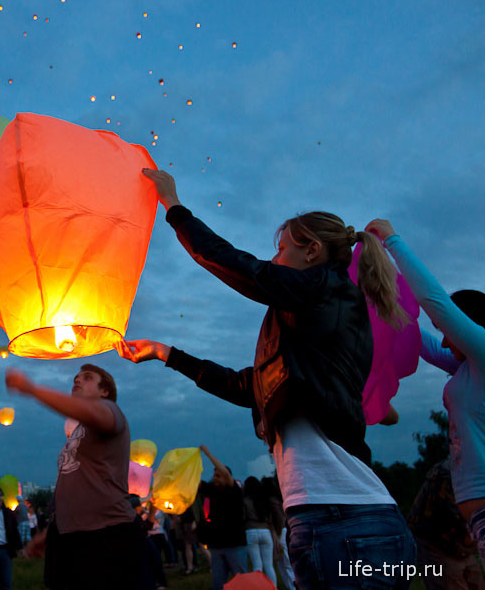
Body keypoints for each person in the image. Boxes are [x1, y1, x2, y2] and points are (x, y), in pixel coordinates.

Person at [117, 170, 415, 588]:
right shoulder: (310, 326)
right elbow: (250, 386)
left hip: (344, 522)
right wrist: (165, 353)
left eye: (281, 249)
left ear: (311, 251)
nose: (274, 259)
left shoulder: (325, 292)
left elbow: (241, 267)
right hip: (335, 521)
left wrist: (174, 206)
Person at [367, 218, 485, 561]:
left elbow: (436, 302)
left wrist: (392, 241)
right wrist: (382, 296)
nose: (447, 341)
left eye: (450, 331)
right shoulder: (467, 368)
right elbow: (420, 341)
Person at [5, 364, 140, 589]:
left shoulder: (110, 411)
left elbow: (92, 412)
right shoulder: (80, 431)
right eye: (76, 378)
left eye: (87, 378)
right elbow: (77, 485)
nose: (77, 380)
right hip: (70, 536)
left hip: (106, 536)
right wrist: (52, 530)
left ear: (104, 391)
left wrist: (32, 389)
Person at [408, 458, 482, 590]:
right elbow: (456, 516)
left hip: (462, 544)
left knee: (475, 581)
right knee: (451, 580)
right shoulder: (450, 474)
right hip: (437, 540)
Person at [195, 446, 248, 590]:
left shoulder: (234, 491)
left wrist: (208, 454)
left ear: (226, 477)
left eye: (218, 476)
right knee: (218, 583)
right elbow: (194, 481)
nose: (215, 478)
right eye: (214, 475)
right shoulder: (211, 490)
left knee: (241, 580)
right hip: (217, 546)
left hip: (235, 544)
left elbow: (224, 471)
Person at [242, 476, 278, 585]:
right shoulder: (264, 499)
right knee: (269, 565)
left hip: (251, 531)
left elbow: (243, 517)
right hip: (265, 531)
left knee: (257, 565)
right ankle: (273, 587)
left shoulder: (245, 501)